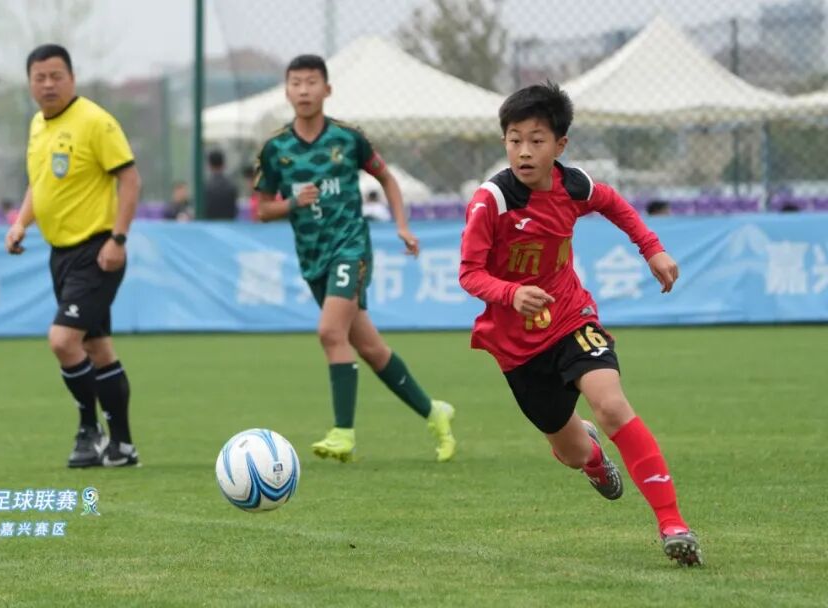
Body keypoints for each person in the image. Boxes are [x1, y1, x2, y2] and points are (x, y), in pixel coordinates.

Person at [459, 81, 701, 566]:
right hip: (516, 348)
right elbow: (469, 273)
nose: (524, 152)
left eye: (536, 140)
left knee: (611, 405)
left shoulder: (574, 185)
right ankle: (591, 457)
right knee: (571, 452)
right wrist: (511, 293)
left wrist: (651, 248)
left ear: (560, 145)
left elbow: (612, 203)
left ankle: (673, 524)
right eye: (514, 140)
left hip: (572, 318)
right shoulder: (493, 201)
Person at [254, 54, 456, 463]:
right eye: (296, 83)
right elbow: (261, 208)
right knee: (370, 348)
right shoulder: (276, 149)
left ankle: (343, 433)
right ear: (287, 91)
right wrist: (292, 203)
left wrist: (402, 226)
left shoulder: (347, 139)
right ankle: (434, 412)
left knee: (331, 333)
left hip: (351, 248)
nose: (304, 90)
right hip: (313, 258)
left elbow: (387, 178)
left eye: (312, 82)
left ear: (327, 89)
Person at [5, 44, 142, 469]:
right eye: (40, 77)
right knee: (98, 349)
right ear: (30, 83)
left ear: (72, 78)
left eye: (56, 76)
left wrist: (118, 239)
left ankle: (89, 430)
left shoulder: (95, 122)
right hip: (60, 255)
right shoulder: (37, 125)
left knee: (63, 341)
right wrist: (21, 222)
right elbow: (40, 183)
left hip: (96, 251)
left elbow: (130, 180)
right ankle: (122, 448)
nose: (48, 84)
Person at [203, 149, 239, 220]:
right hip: (228, 224)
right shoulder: (231, 186)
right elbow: (234, 210)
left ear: (209, 165)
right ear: (223, 165)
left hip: (209, 224)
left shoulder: (205, 187)